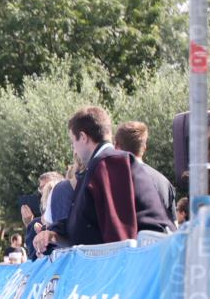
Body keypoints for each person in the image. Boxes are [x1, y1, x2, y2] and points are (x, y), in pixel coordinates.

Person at [35, 106, 174, 254]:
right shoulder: (105, 165)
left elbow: (119, 234)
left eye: (73, 142)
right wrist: (53, 234)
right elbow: (86, 221)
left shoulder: (110, 164)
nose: (74, 149)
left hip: (144, 263)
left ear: (83, 137)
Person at [115, 121, 177, 223]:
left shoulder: (110, 181)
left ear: (116, 147)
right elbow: (174, 228)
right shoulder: (164, 183)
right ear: (144, 147)